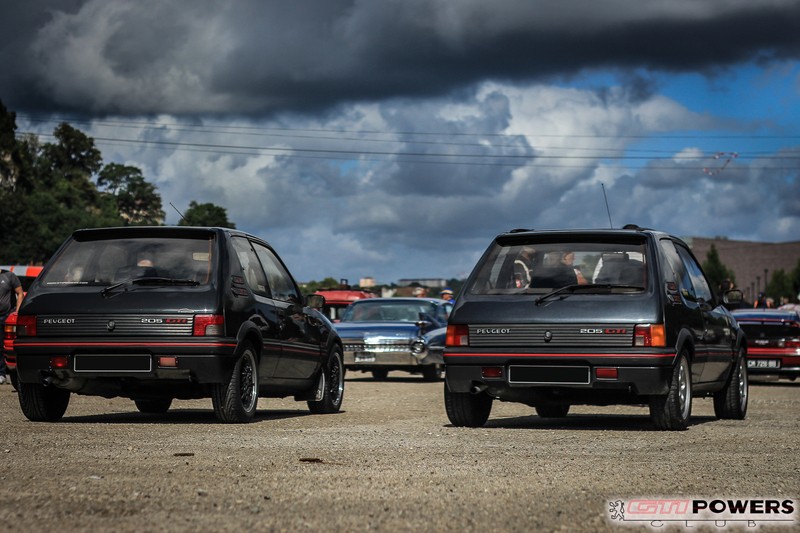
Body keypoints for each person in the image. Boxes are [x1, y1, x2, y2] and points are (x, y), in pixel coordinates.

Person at [0, 269, 23, 385]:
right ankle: (1, 373)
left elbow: (20, 293)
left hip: (7, 316)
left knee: (7, 345)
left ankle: (6, 373)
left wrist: (17, 312)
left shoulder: (9, 276)